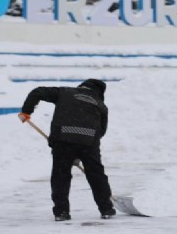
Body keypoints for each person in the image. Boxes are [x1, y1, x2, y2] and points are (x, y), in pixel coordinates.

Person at [18, 79, 116, 221]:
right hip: (88, 142)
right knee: (96, 175)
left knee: (61, 176)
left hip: (62, 140)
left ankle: (61, 212)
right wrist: (83, 147)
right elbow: (101, 131)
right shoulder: (100, 104)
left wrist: (26, 111)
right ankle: (106, 208)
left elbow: (37, 92)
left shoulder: (64, 92)